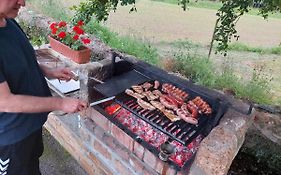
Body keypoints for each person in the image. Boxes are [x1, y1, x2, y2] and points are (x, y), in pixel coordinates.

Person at [0, 0, 88, 174]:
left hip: (31, 125)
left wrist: (50, 71)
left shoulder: (8, 21)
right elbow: (5, 102)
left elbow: (21, 60)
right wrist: (60, 104)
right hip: (11, 136)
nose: (22, 2)